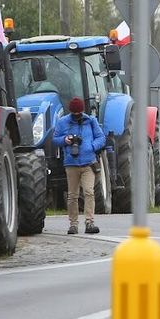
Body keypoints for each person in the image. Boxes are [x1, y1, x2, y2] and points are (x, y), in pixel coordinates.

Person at [52, 97, 105, 234]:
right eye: (75, 114)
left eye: (79, 114)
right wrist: (65, 140)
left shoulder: (90, 121)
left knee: (89, 192)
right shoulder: (63, 122)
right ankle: (73, 224)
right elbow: (54, 139)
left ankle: (89, 222)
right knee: (73, 195)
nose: (77, 116)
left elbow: (101, 138)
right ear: (71, 112)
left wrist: (91, 147)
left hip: (88, 163)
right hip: (71, 163)